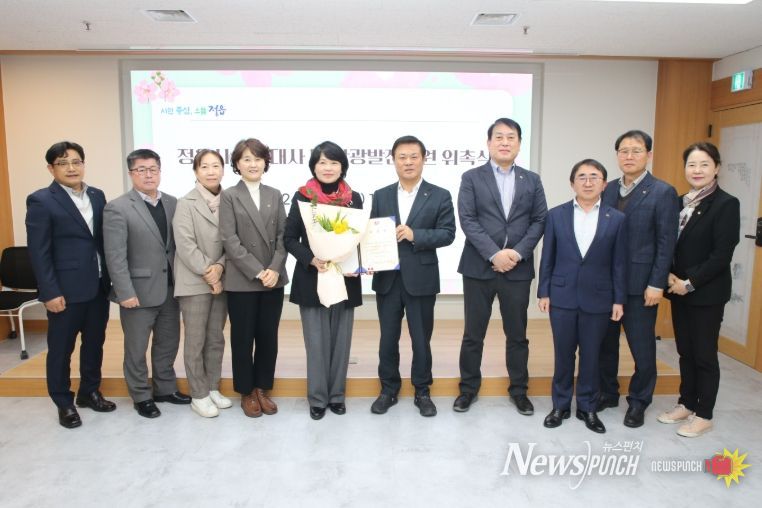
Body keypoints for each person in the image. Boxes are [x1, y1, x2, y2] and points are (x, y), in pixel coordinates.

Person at [454, 118, 547, 415]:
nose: (505, 142)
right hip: (478, 267)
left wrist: (516, 254)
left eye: (511, 137)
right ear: (489, 142)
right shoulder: (471, 177)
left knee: (517, 335)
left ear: (519, 143)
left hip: (517, 270)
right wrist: (494, 254)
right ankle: (468, 389)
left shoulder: (532, 180)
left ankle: (519, 390)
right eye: (499, 137)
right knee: (473, 334)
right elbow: (467, 219)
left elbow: (539, 220)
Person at [25, 141, 115, 429]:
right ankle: (64, 402)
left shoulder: (97, 195)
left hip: (97, 286)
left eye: (76, 161)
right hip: (64, 291)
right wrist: (49, 292)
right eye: (63, 163)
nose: (71, 168)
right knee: (61, 349)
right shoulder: (41, 200)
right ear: (51, 168)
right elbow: (39, 252)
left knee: (94, 343)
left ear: (83, 164)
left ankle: (89, 391)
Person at [538, 159, 627, 434]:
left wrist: (618, 299)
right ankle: (560, 405)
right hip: (562, 296)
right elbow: (548, 256)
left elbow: (619, 263)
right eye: (582, 177)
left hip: (599, 298)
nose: (588, 182)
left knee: (591, 356)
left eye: (594, 177)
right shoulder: (556, 215)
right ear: (572, 183)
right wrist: (544, 291)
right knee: (563, 354)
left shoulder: (617, 218)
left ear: (604, 183)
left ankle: (587, 407)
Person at [369, 135, 456, 417]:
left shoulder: (440, 194)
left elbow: (448, 234)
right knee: (387, 339)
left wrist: (415, 234)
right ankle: (388, 390)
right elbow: (372, 233)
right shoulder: (381, 195)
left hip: (421, 278)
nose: (408, 162)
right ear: (393, 160)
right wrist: (367, 259)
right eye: (402, 157)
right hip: (387, 278)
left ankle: (422, 391)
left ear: (423, 159)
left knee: (421, 340)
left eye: (413, 156)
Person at [598, 130, 679, 428]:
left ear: (649, 154)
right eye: (623, 151)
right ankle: (608, 392)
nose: (629, 156)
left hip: (641, 284)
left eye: (636, 150)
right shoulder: (607, 189)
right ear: (617, 155)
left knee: (642, 347)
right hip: (607, 282)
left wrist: (657, 283)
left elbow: (666, 242)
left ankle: (639, 401)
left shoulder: (663, 192)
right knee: (605, 344)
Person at [659, 142, 740, 438]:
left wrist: (689, 282)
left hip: (705, 293)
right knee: (685, 351)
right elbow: (668, 242)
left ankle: (704, 414)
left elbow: (721, 255)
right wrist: (669, 275)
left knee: (704, 354)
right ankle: (686, 403)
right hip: (677, 289)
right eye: (692, 164)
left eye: (704, 164)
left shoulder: (726, 204)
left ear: (716, 167)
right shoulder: (679, 202)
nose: (697, 170)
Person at [104, 148, 189, 419]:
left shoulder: (174, 203)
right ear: (131, 173)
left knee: (168, 343)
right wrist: (124, 292)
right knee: (136, 348)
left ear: (160, 171)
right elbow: (115, 256)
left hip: (170, 289)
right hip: (137, 292)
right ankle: (141, 395)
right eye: (141, 170)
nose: (148, 175)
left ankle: (165, 388)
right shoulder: (118, 207)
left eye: (153, 169)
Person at [284, 141, 363, 420]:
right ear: (313, 167)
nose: (328, 168)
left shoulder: (354, 199)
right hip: (312, 277)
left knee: (341, 342)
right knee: (316, 343)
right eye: (322, 162)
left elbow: (359, 238)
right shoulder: (303, 197)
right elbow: (289, 238)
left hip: (345, 277)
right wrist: (310, 258)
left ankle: (337, 395)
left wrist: (360, 264)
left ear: (342, 167)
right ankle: (317, 398)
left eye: (333, 162)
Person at [219, 138, 288, 418]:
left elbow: (283, 236)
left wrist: (274, 268)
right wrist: (258, 271)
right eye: (246, 159)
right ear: (237, 164)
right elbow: (229, 239)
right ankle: (246, 391)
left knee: (268, 337)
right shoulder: (229, 196)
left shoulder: (274, 193)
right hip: (243, 279)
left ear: (265, 162)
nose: (253, 164)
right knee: (243, 338)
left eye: (258, 158)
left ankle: (262, 388)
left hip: (273, 278)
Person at [173, 149, 231, 418]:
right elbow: (185, 244)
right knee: (195, 340)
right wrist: (210, 272)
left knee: (216, 338)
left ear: (223, 170)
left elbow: (234, 241)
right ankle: (198, 394)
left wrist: (220, 268)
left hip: (222, 277)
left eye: (215, 166)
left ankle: (212, 386)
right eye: (204, 166)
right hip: (195, 280)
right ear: (196, 171)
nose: (211, 171)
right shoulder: (185, 203)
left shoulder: (230, 200)